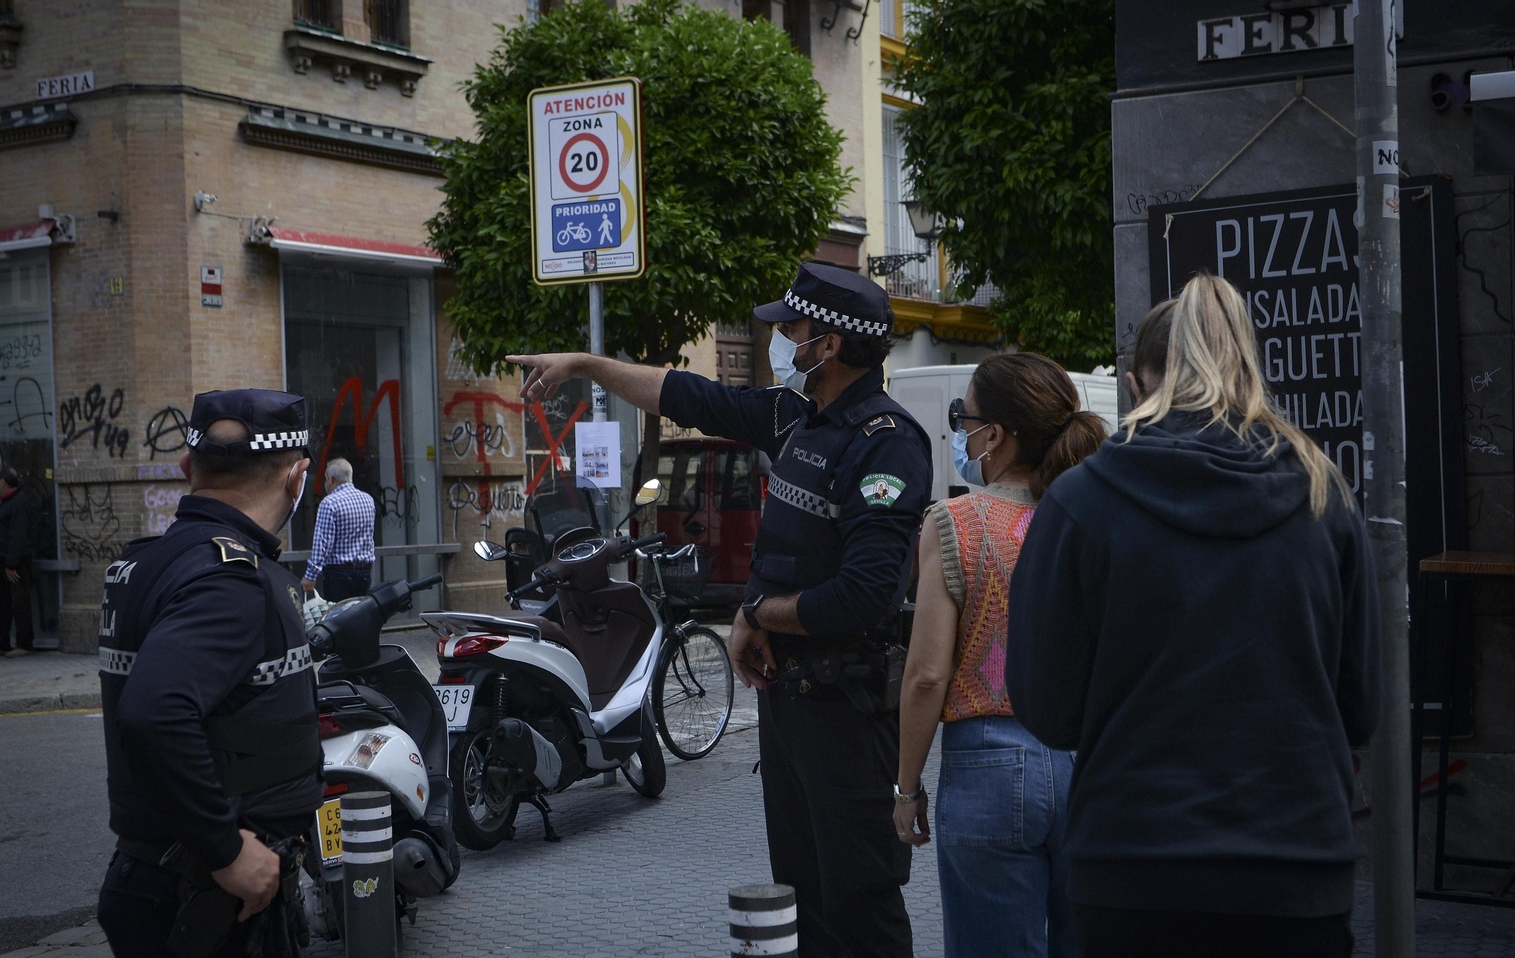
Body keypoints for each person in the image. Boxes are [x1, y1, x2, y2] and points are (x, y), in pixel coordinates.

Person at [511, 262, 933, 958]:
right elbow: (684, 393)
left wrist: (760, 613)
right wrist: (584, 363)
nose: (780, 340)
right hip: (790, 705)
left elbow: (866, 594)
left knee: (859, 902)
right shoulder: (796, 417)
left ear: (826, 345)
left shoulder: (884, 443)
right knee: (801, 897)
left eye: (791, 329)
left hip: (846, 713)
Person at [1005, 274, 1382, 958]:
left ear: (1134, 381)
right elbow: (1360, 707)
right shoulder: (1325, 494)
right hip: (1297, 870)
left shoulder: (1080, 504)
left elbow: (1045, 706)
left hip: (1133, 869)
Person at [96, 389, 322, 958]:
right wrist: (226, 850)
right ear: (297, 479)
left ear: (187, 468)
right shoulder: (230, 579)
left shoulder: (152, 562)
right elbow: (153, 712)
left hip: (166, 881)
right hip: (207, 900)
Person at [893, 354, 1105, 958]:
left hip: (987, 767)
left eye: (965, 417)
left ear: (997, 435)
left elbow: (927, 675)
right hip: (1089, 767)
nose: (959, 430)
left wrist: (907, 789)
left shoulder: (955, 523)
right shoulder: (1092, 520)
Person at [300, 456, 376, 601]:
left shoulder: (329, 503)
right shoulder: (368, 500)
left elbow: (322, 543)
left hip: (338, 574)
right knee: (359, 617)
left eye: (325, 479)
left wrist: (311, 575)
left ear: (330, 479)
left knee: (337, 619)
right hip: (364, 572)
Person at [0, 465, 36, 658]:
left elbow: (18, 536)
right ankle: (0, 643)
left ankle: (24, 644)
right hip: (2, 562)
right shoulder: (7, 502)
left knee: (19, 603)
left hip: (15, 563)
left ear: (3, 482)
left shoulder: (18, 503)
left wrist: (11, 564)